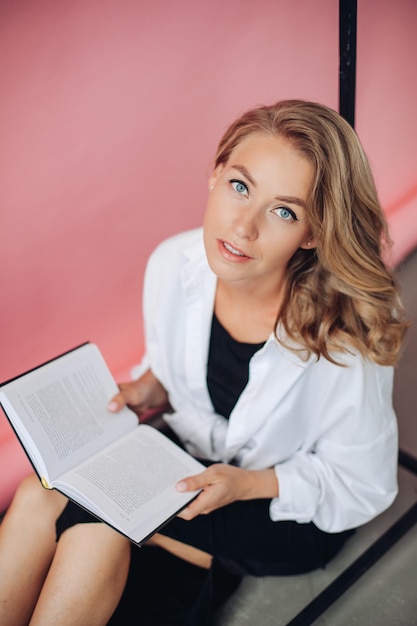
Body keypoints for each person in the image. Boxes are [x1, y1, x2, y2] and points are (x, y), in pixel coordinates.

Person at [0, 100, 408, 626]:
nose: (243, 227)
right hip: (191, 462)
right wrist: (149, 388)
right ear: (215, 175)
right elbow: (185, 371)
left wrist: (245, 486)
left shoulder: (342, 337)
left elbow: (362, 484)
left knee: (95, 518)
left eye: (283, 211)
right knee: (39, 491)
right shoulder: (174, 263)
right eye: (240, 186)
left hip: (283, 505)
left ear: (311, 233)